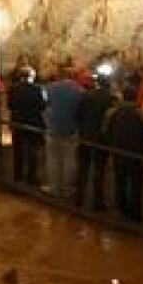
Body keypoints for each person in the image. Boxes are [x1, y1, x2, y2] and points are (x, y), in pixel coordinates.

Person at [75, 71, 118, 211]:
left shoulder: (86, 95)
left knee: (83, 167)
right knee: (99, 170)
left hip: (86, 135)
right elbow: (112, 120)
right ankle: (97, 201)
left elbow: (79, 114)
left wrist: (81, 130)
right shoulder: (111, 98)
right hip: (101, 138)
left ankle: (78, 197)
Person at [105, 86, 143, 222]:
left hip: (118, 151)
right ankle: (135, 212)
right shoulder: (141, 114)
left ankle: (121, 208)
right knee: (136, 182)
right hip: (136, 153)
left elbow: (106, 131)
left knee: (120, 180)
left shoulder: (113, 112)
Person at [44, 70, 85, 198]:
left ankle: (54, 187)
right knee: (70, 159)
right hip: (71, 128)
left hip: (53, 127)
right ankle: (67, 189)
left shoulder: (50, 88)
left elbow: (45, 106)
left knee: (53, 159)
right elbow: (81, 110)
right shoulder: (79, 90)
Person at [8, 66, 47, 187]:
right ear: (32, 76)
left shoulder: (13, 88)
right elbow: (43, 105)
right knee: (32, 150)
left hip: (17, 122)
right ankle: (31, 176)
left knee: (18, 150)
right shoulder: (38, 89)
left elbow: (10, 105)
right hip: (33, 122)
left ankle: (17, 174)